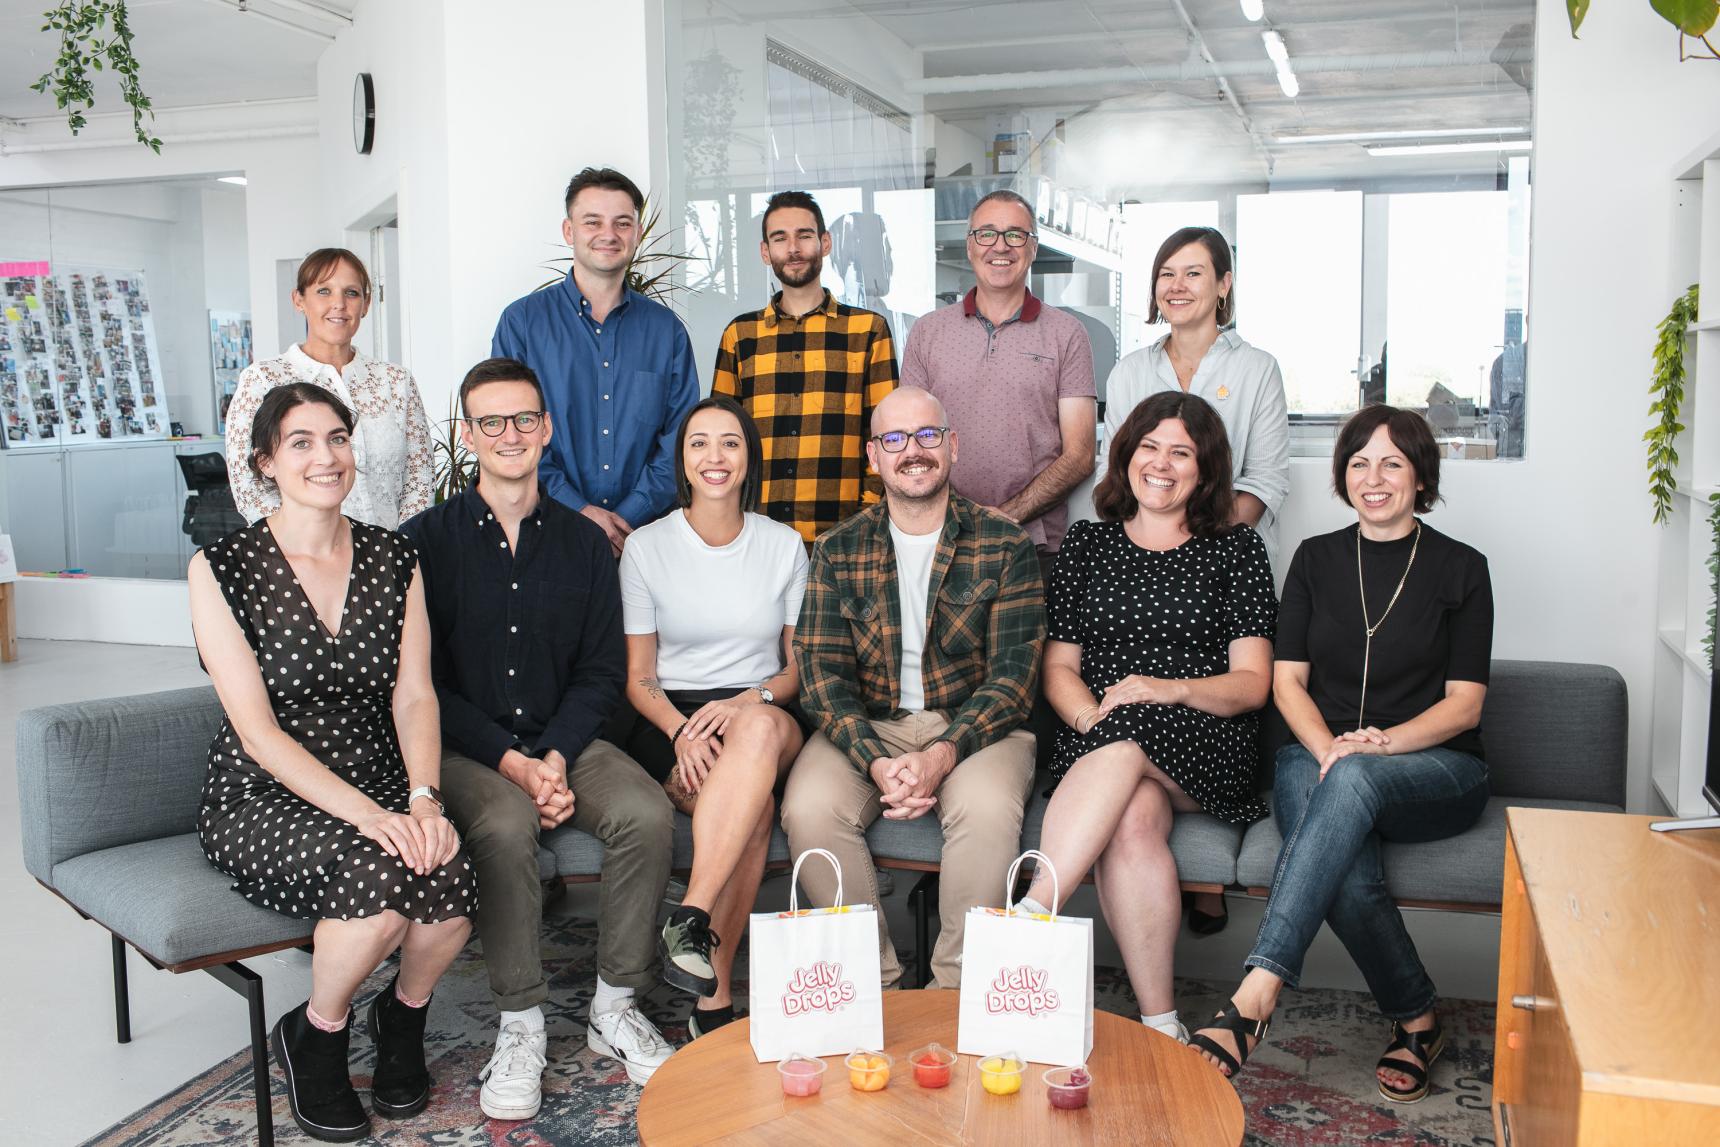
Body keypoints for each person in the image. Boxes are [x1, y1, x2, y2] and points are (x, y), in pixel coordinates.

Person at [1190, 404, 1494, 1105]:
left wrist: (1379, 745)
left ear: (1421, 475)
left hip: (1437, 766)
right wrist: (1331, 749)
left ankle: (1256, 991)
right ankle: (1417, 1017)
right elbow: (1287, 682)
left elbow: (1465, 704)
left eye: (1392, 462)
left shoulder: (1462, 568)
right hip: (1315, 754)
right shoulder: (1315, 559)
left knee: (1354, 778)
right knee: (1349, 869)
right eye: (1358, 462)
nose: (1373, 476)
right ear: (1341, 475)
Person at [192, 382, 472, 1142]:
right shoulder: (221, 568)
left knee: (449, 870)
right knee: (384, 879)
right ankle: (316, 1034)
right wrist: (375, 818)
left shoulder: (394, 557)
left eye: (338, 437)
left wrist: (421, 799)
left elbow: (415, 697)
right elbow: (258, 734)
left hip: (380, 777)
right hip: (264, 792)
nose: (326, 456)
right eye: (302, 441)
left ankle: (403, 1018)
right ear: (266, 463)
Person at [399, 358, 676, 1109]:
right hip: (471, 750)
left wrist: (552, 754)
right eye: (492, 421)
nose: (510, 434)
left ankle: (614, 1004)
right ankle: (520, 1022)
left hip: (566, 742)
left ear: (547, 428)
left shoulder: (586, 545)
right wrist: (516, 765)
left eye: (524, 418)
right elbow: (426, 684)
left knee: (646, 812)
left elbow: (600, 669)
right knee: (506, 819)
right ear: (469, 433)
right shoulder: (424, 542)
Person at [1016, 392, 1276, 1043]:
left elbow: (1251, 684)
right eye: (1149, 446)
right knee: (1132, 817)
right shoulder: (1087, 542)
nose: (1161, 463)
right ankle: (1163, 1024)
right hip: (1105, 740)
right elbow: (1059, 669)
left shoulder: (1236, 549)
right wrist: (1094, 723)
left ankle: (1028, 915)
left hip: (1208, 739)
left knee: (1135, 725)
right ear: (1126, 455)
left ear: (1206, 468)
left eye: (1181, 452)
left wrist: (1168, 690)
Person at [781, 385, 1046, 990]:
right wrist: (875, 761)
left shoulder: (1004, 545)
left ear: (952, 447)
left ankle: (955, 992)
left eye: (928, 436)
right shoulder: (837, 548)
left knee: (984, 809)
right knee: (808, 807)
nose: (913, 451)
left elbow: (1014, 675)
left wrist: (944, 752)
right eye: (895, 440)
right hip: (871, 723)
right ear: (874, 457)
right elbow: (820, 675)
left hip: (979, 726)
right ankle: (877, 988)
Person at [1103, 224, 1290, 935]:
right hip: (1141, 549)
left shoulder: (1257, 368)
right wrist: (1157, 534)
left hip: (1222, 558)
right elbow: (1118, 474)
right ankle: (1191, 869)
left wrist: (1194, 541)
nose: (1176, 286)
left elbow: (1266, 477)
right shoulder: (1129, 371)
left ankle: (1203, 873)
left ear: (1224, 283)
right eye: (1165, 274)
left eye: (1193, 272)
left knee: (1209, 689)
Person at [612, 394, 809, 1036]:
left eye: (730, 442)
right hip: (672, 717)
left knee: (752, 729)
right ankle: (712, 1001)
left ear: (748, 459)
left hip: (764, 706)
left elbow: (794, 669)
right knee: (749, 818)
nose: (714, 456)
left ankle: (690, 911)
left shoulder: (784, 545)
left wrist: (746, 701)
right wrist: (680, 733)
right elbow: (639, 678)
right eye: (699, 443)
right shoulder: (645, 547)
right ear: (683, 460)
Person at [492, 167, 700, 556]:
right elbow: (511, 433)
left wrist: (628, 517)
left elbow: (681, 438)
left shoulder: (666, 331)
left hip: (646, 544)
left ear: (637, 233)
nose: (609, 234)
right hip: (545, 537)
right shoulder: (521, 324)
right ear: (569, 231)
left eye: (623, 223)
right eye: (593, 222)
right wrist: (578, 510)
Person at [900, 189, 1096, 582]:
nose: (1000, 246)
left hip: (1035, 547)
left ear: (1033, 247)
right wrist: (958, 521)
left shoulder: (1067, 334)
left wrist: (1004, 517)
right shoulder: (928, 333)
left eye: (1015, 234)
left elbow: (1080, 455)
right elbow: (911, 441)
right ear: (970, 246)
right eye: (986, 234)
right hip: (941, 543)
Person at [712, 190, 899, 545]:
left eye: (805, 235)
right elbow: (720, 444)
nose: (793, 248)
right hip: (754, 537)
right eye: (780, 238)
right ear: (766, 252)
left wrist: (864, 518)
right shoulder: (740, 336)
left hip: (844, 537)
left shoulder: (867, 331)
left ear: (825, 243)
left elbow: (886, 437)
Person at [225, 248, 433, 529]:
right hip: (299, 558)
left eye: (351, 293)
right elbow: (248, 484)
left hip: (390, 556)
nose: (339, 304)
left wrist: (398, 547)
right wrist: (298, 551)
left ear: (366, 304)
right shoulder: (262, 379)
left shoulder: (396, 381)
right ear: (299, 300)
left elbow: (420, 477)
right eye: (324, 291)